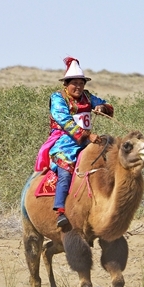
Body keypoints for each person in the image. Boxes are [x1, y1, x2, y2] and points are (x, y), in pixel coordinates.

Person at [45, 56, 113, 229]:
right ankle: (60, 210)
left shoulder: (87, 97)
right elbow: (65, 121)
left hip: (87, 142)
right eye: (74, 83)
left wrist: (101, 107)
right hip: (65, 142)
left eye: (81, 83)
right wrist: (87, 135)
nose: (78, 87)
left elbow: (106, 105)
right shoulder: (58, 98)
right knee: (66, 170)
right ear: (66, 84)